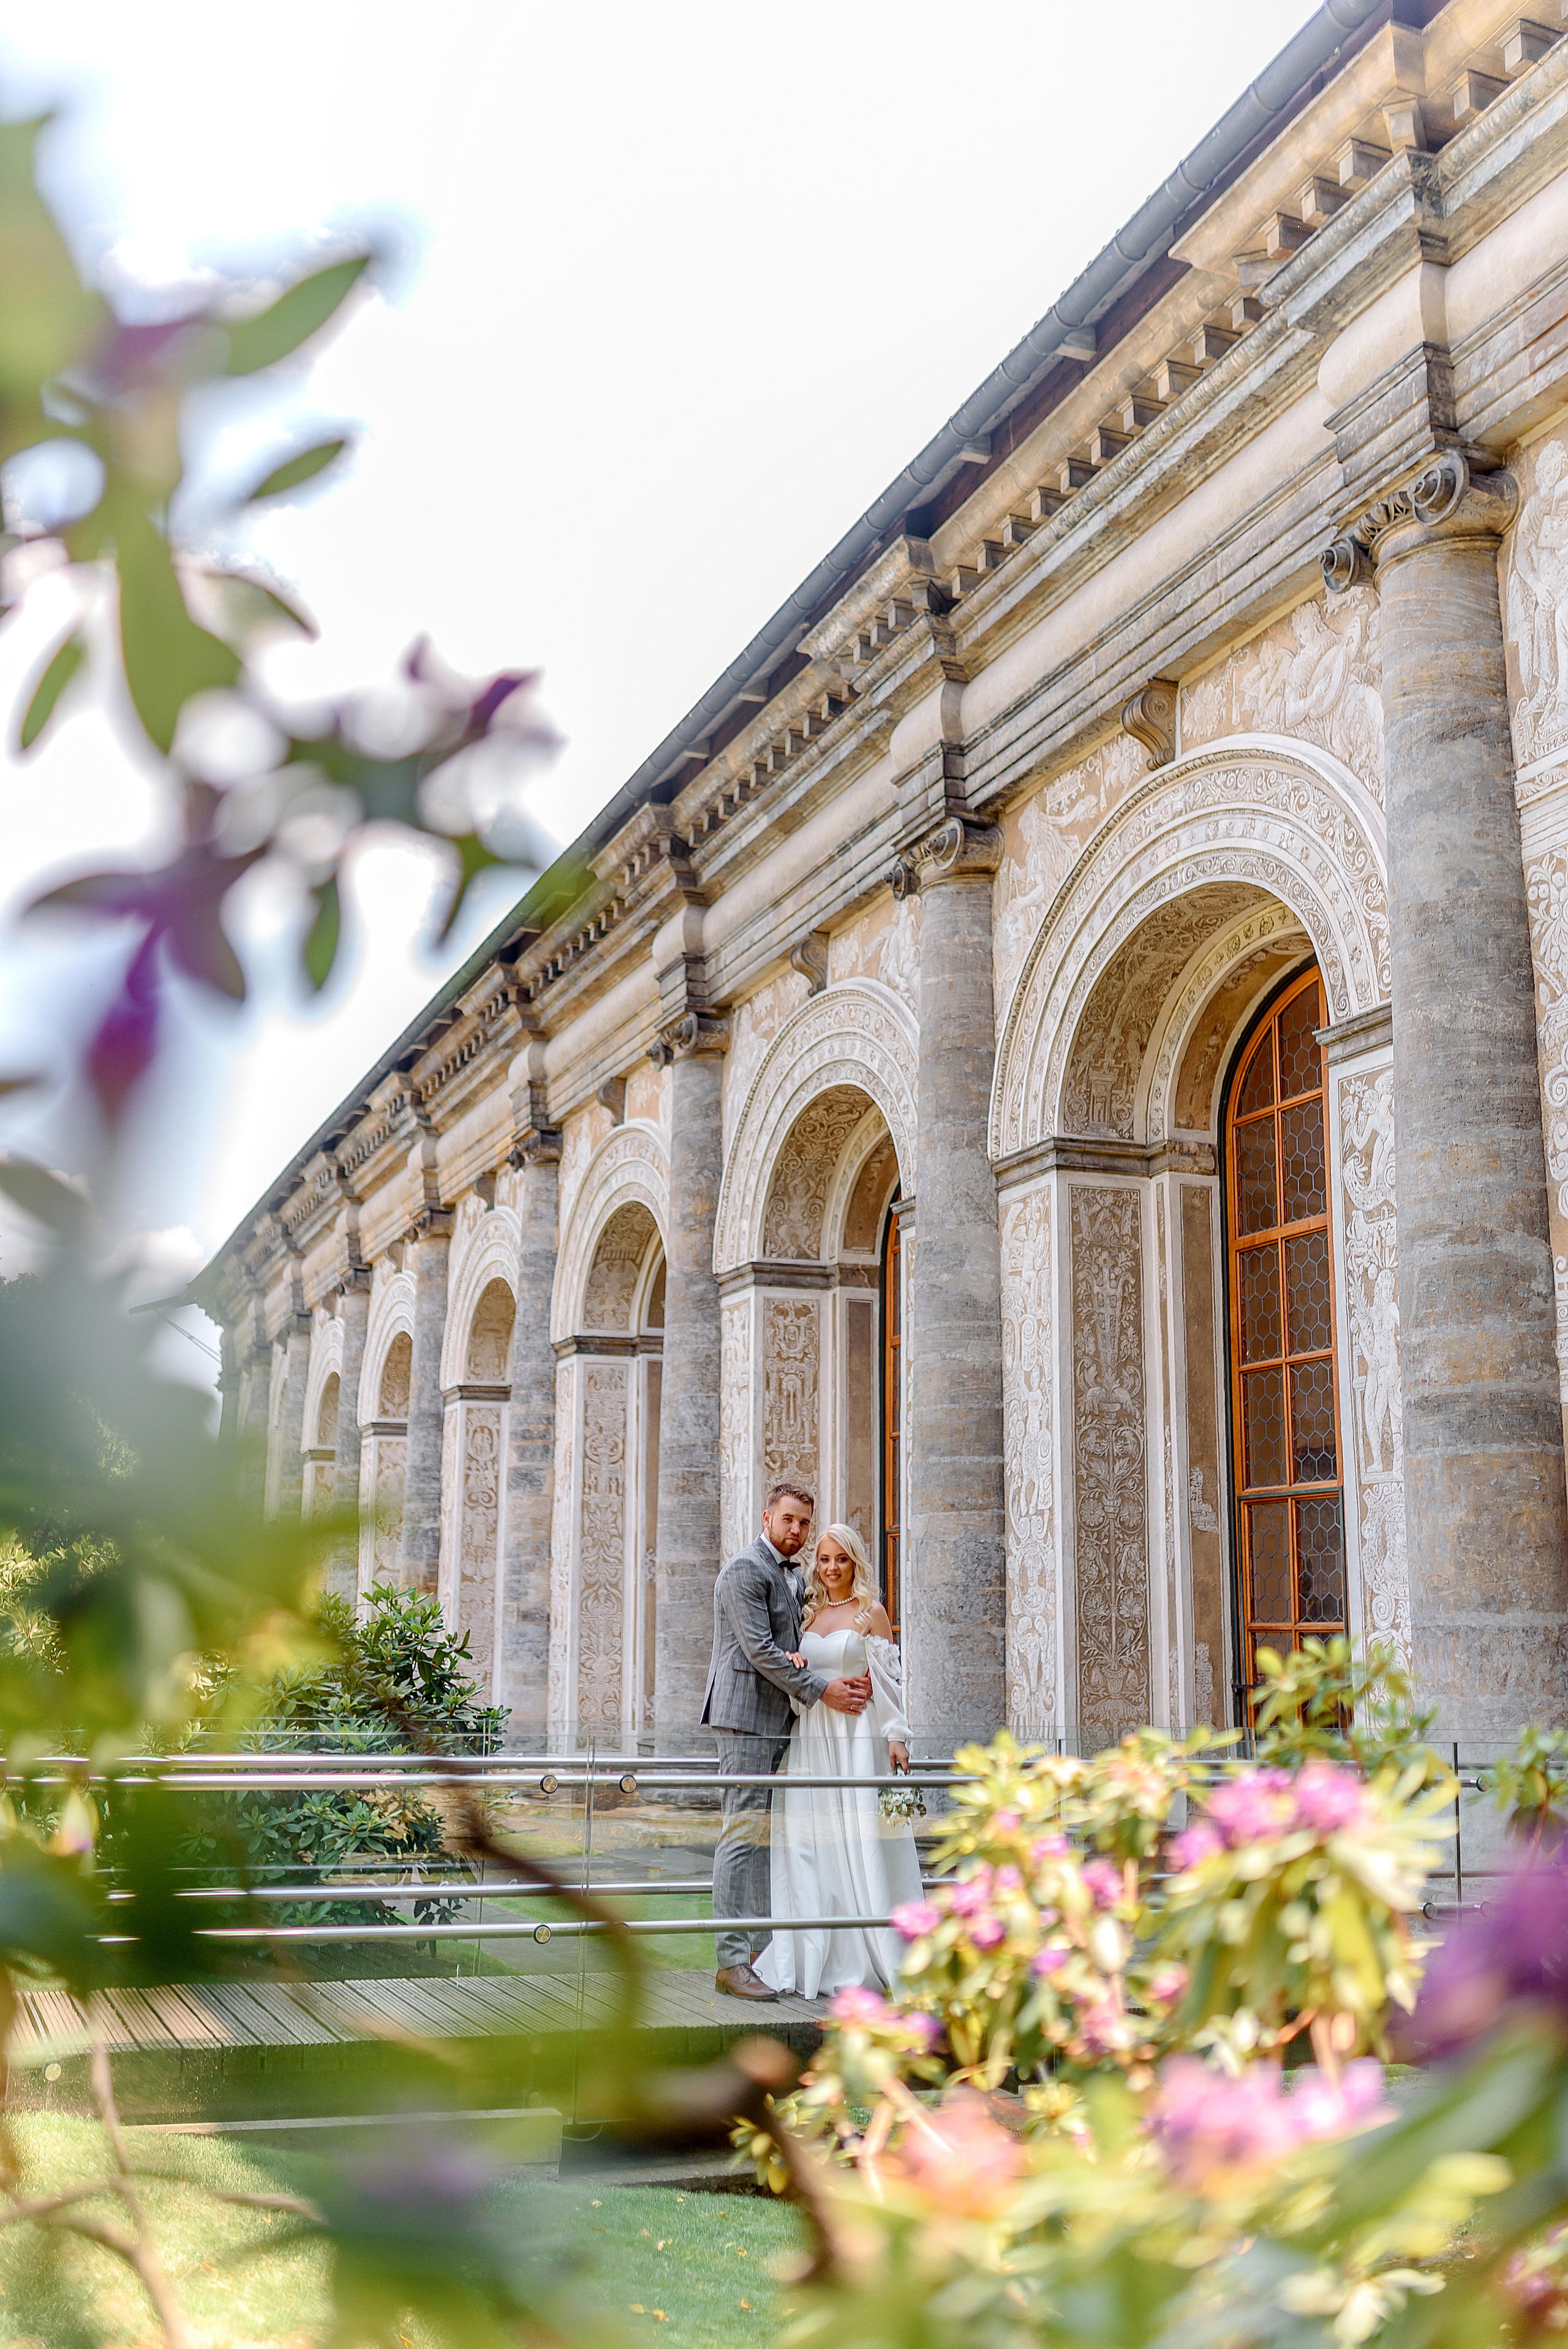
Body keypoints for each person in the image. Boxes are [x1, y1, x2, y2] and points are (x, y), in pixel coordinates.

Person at [700, 1480, 872, 2001]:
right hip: (746, 1718)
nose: (796, 1530)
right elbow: (758, 1651)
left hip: (782, 1721)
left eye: (804, 1523)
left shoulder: (794, 1577)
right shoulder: (744, 1571)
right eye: (788, 1520)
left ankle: (758, 1951)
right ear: (767, 1517)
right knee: (741, 1833)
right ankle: (732, 1962)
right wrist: (823, 1691)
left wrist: (805, 1657)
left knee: (764, 1835)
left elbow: (789, 1645)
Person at [755, 1521, 924, 2000]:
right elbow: (793, 1679)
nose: (831, 1568)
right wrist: (799, 1670)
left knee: (860, 1836)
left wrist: (897, 1737)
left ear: (856, 1562)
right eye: (824, 1559)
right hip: (813, 1737)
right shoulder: (805, 1616)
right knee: (812, 1845)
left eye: (841, 1559)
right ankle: (816, 1953)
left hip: (856, 1738)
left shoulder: (871, 1613)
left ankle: (876, 1950)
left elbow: (888, 1682)